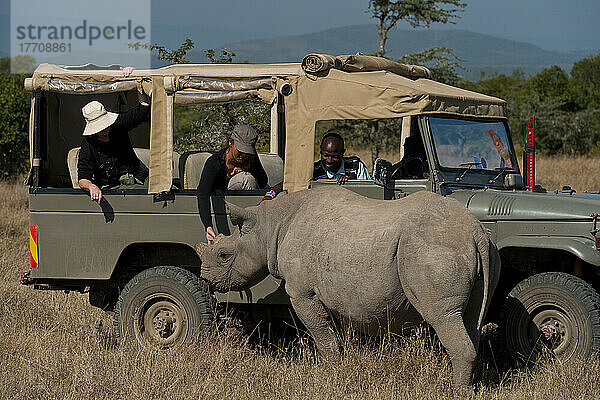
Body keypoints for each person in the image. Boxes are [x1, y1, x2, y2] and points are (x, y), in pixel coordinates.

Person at [196, 124, 282, 244]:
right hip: (226, 201)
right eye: (240, 150)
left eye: (247, 151)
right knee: (245, 179)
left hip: (248, 204)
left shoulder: (249, 158)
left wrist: (246, 168)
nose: (243, 155)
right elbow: (202, 193)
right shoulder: (214, 163)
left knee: (248, 179)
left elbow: (262, 182)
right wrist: (208, 226)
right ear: (230, 142)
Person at [77, 66, 150, 203]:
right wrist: (91, 186)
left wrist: (136, 77)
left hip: (139, 180)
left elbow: (143, 108)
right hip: (112, 189)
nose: (105, 129)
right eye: (100, 127)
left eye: (105, 124)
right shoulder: (88, 145)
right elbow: (82, 178)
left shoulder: (118, 125)